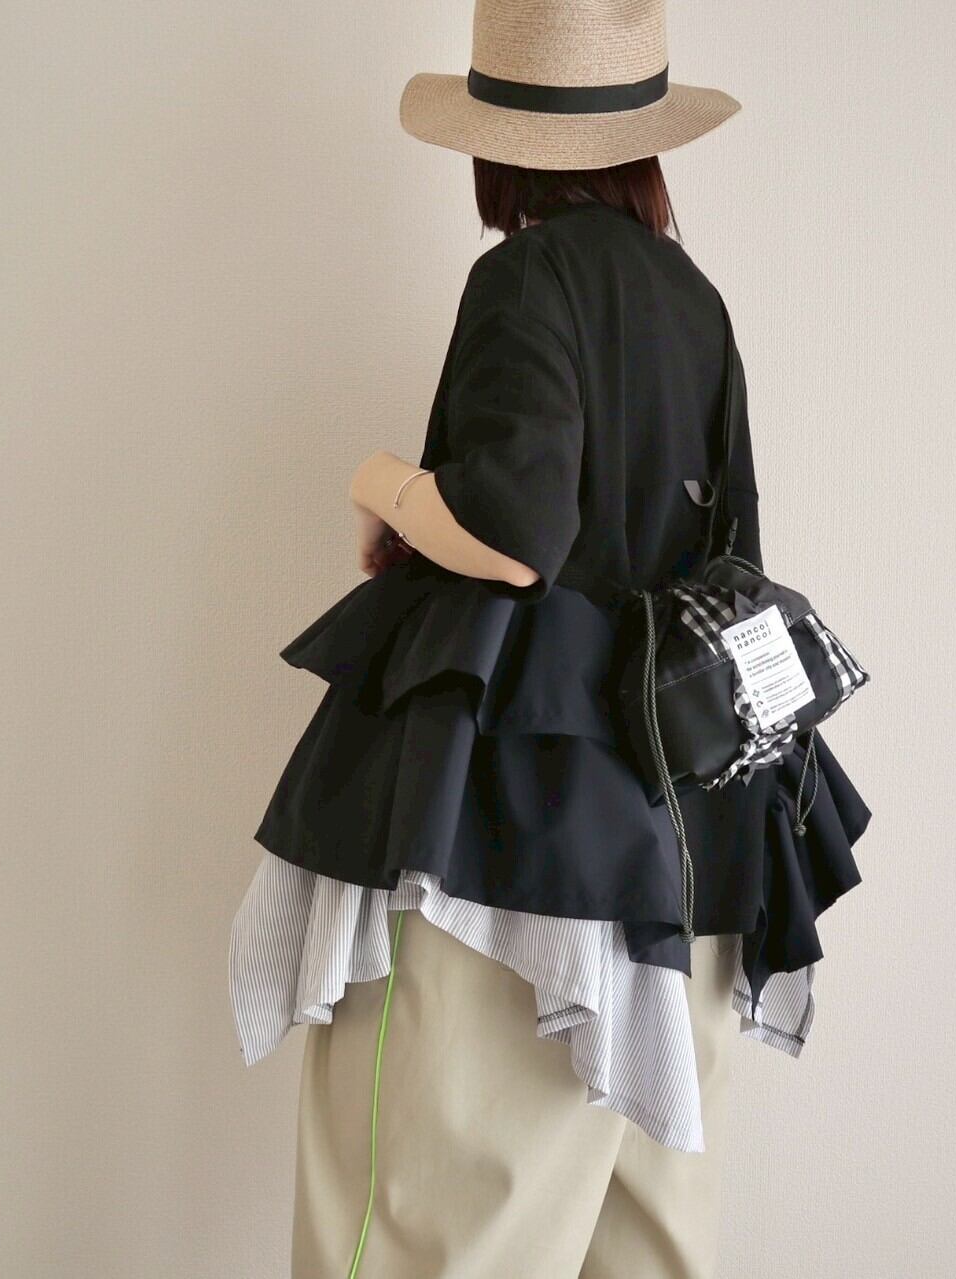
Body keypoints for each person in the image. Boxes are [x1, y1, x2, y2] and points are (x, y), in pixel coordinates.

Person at [228, 1, 871, 1275]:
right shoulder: (695, 300)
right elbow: (730, 560)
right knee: (644, 1250)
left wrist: (382, 484)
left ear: (497, 144)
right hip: (689, 850)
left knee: (418, 1232)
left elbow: (515, 528)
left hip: (523, 852)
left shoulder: (525, 276)